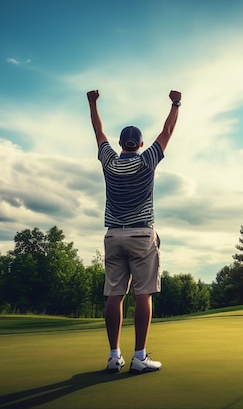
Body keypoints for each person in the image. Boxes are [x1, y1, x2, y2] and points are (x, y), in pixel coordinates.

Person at [87, 88, 181, 374]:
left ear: (120, 144)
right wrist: (176, 103)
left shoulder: (109, 161)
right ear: (140, 144)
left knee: (114, 295)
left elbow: (98, 130)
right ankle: (139, 357)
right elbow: (167, 130)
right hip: (141, 234)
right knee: (144, 294)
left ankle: (114, 356)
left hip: (113, 235)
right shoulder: (147, 160)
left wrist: (92, 103)